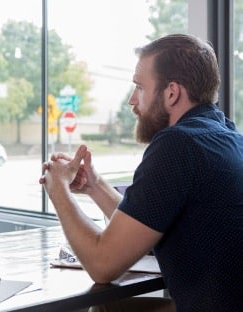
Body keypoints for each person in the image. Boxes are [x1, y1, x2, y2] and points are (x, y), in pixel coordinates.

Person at [40, 34, 243, 312]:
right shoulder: (228, 137)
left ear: (171, 92)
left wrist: (58, 190)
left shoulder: (177, 145)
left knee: (103, 307)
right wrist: (94, 186)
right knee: (108, 307)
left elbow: (103, 265)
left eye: (139, 87)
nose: (132, 101)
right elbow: (144, 227)